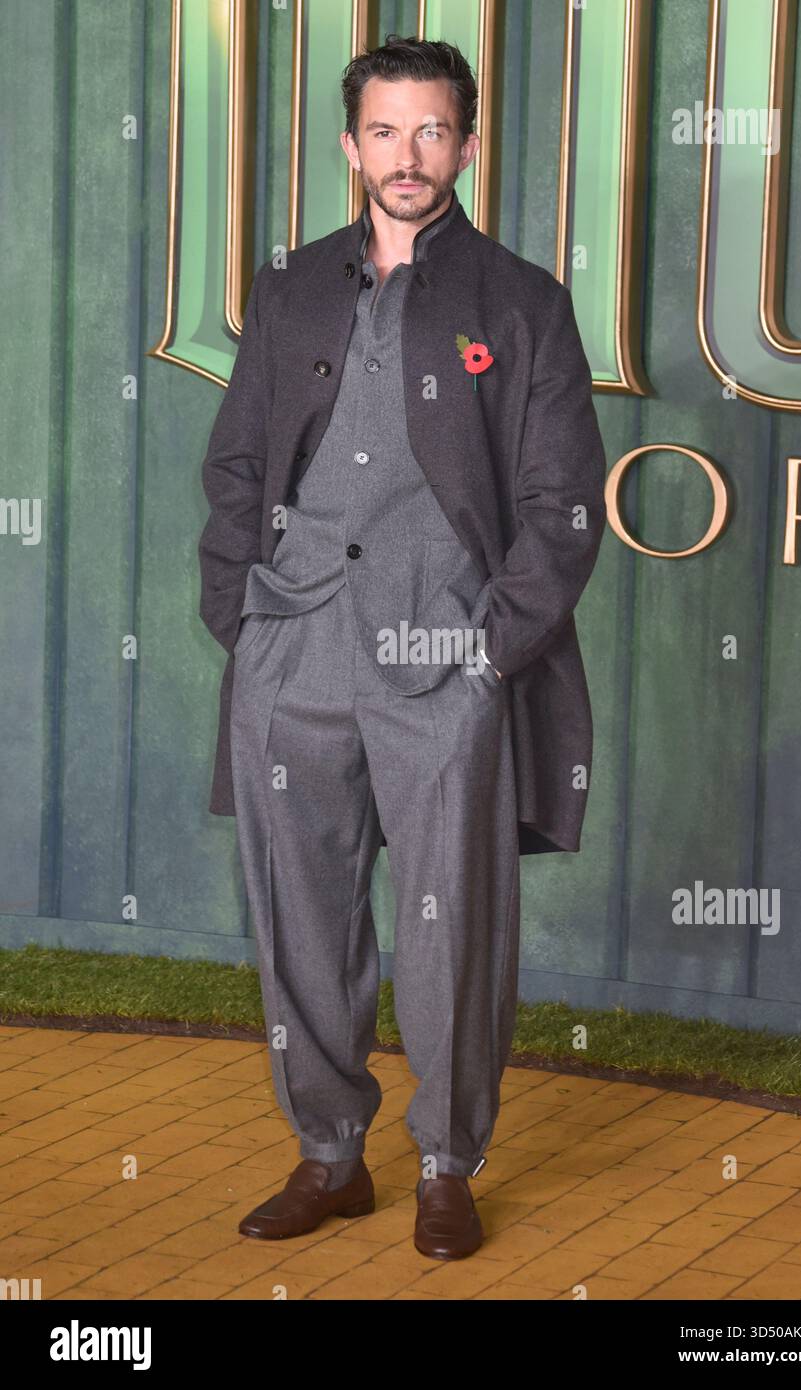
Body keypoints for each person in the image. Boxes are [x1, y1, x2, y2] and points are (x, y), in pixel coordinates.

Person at [198, 34, 607, 1262]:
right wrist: (242, 611)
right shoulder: (291, 289)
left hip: (448, 664)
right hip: (293, 653)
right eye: (384, 131)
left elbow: (562, 504)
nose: (407, 155)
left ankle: (445, 1163)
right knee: (301, 923)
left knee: (451, 928)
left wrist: (489, 657)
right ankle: (331, 1156)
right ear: (350, 146)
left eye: (432, 131)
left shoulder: (522, 302)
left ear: (467, 146)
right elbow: (232, 463)